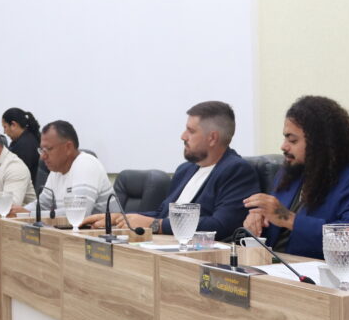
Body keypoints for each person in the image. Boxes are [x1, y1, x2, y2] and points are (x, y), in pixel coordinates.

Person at [91, 101, 258, 238]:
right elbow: (163, 214)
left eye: (191, 131)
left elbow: (220, 225)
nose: (183, 136)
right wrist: (121, 218)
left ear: (212, 138)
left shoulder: (236, 170)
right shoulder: (185, 170)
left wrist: (155, 225)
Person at [242, 95, 349, 259]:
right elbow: (274, 222)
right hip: (271, 265)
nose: (283, 146)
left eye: (293, 140)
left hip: (313, 269)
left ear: (320, 143)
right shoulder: (288, 173)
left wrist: (289, 219)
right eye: (285, 138)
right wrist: (258, 217)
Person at [15, 120, 112, 217]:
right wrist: (18, 213)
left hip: (107, 226)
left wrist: (29, 214)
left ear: (68, 147)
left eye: (48, 149)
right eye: (41, 150)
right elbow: (42, 205)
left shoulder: (86, 165)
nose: (43, 156)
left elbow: (77, 214)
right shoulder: (56, 171)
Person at [2, 107, 41, 185]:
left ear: (13, 125)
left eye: (5, 127)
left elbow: (16, 175)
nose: (4, 132)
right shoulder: (28, 138)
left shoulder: (24, 145)